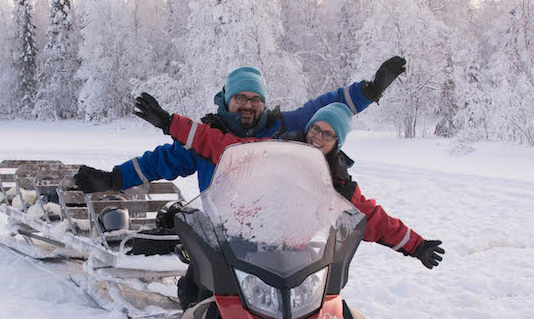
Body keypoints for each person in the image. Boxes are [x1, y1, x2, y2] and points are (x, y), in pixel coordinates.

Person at [134, 99, 445, 299]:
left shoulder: (338, 181)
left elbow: (373, 218)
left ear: (337, 142)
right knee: (198, 294)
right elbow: (219, 144)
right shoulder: (273, 150)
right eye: (316, 129)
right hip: (244, 243)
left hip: (300, 262)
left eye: (328, 134)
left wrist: (416, 245)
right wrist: (169, 122)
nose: (318, 137)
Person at [73, 57, 407, 197]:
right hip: (220, 238)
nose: (248, 105)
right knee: (197, 294)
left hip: (276, 236)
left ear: (263, 102)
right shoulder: (206, 138)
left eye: (255, 99)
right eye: (241, 98)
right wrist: (114, 178)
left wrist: (369, 91)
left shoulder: (282, 128)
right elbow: (160, 162)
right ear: (227, 100)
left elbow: (323, 110)